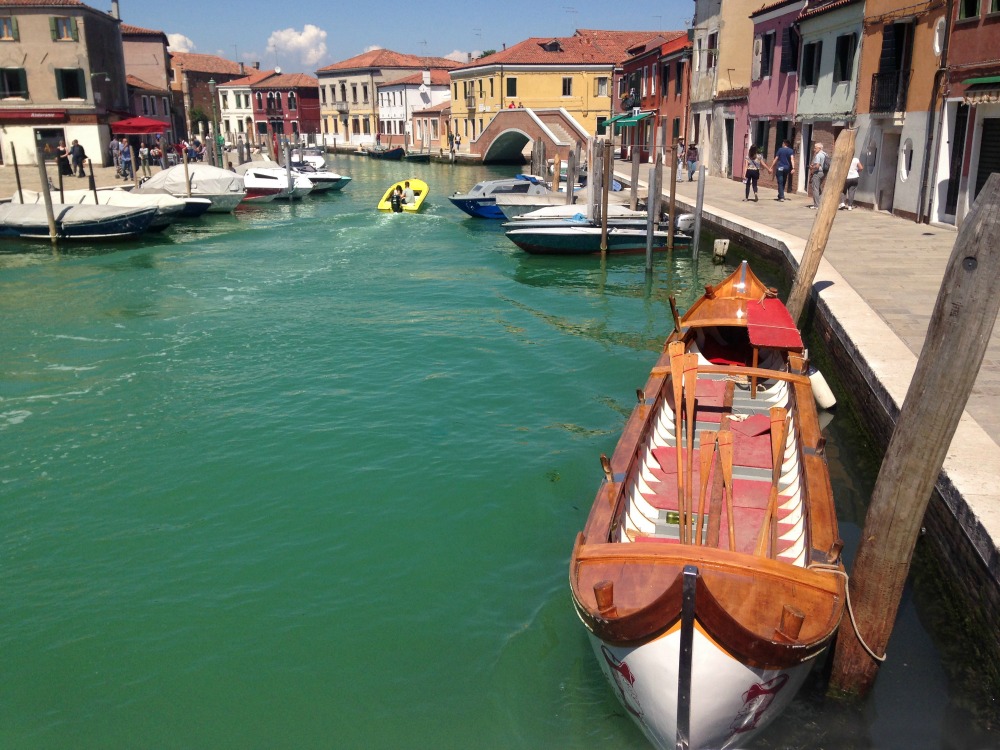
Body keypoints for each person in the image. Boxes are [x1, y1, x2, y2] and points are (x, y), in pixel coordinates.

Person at [808, 141, 827, 209]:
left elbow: (817, 166)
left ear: (819, 148)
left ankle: (816, 205)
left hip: (818, 172)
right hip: (823, 173)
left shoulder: (818, 155)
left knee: (815, 188)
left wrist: (811, 167)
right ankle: (821, 203)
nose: (814, 149)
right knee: (818, 188)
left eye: (815, 148)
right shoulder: (825, 154)